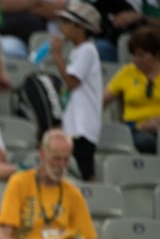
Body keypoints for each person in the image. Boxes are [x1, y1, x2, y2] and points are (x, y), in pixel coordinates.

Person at [0, 128, 96, 239]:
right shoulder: (19, 183)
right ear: (42, 153)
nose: (61, 165)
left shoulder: (73, 193)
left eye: (66, 159)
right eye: (56, 159)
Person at [50, 0, 103, 181]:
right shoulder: (79, 51)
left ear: (80, 27)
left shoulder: (87, 50)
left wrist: (57, 56)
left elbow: (72, 82)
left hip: (83, 126)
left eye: (66, 22)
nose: (61, 27)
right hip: (75, 125)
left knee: (85, 173)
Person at [104, 26, 160, 154]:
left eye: (141, 55)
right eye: (134, 55)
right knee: (146, 142)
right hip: (135, 129)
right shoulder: (127, 72)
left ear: (156, 54)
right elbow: (104, 99)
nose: (136, 60)